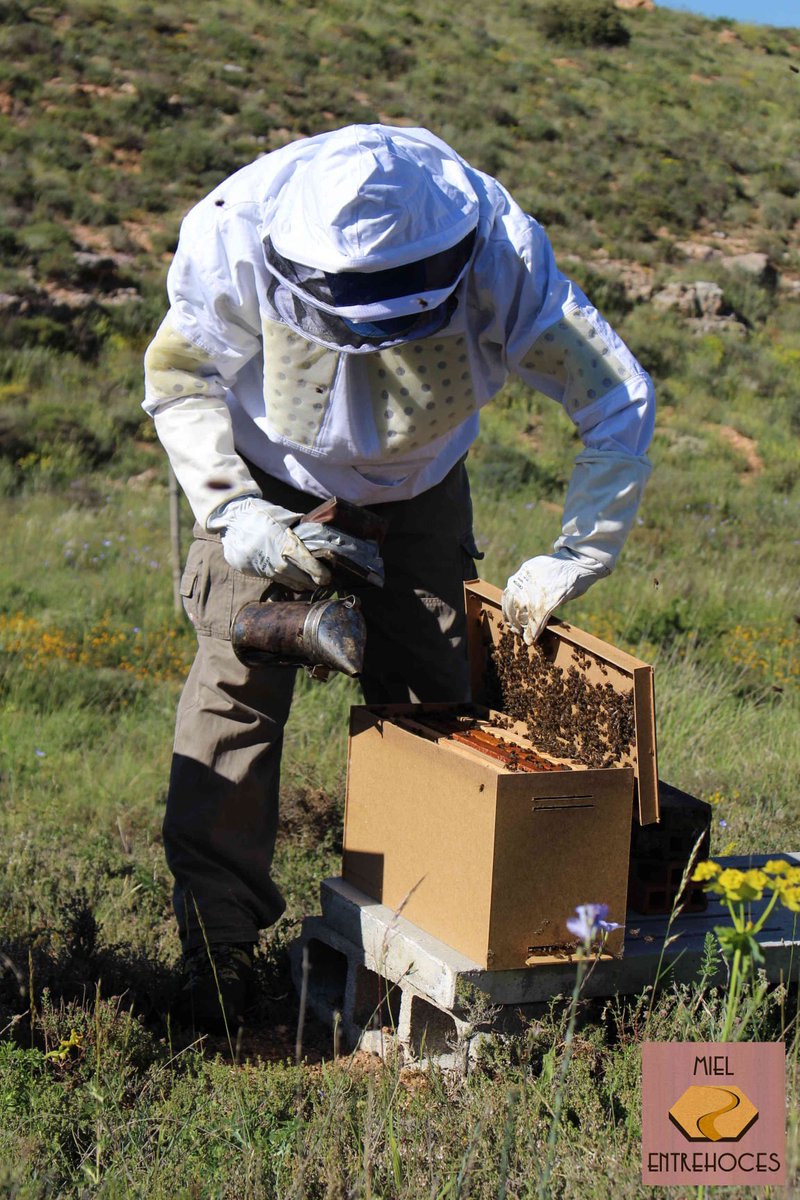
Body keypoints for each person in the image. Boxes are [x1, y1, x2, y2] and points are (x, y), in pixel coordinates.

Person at [143, 123, 654, 1030]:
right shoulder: (232, 232)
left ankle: (414, 945)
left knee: (437, 710)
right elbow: (180, 377)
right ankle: (219, 958)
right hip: (268, 478)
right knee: (236, 693)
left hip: (423, 492)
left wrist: (579, 551)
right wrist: (234, 513)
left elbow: (614, 396)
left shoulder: (501, 251)